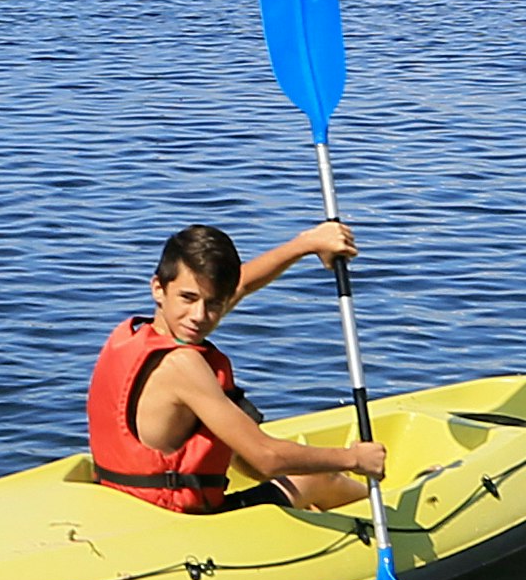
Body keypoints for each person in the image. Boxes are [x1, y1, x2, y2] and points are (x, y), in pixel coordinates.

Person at [85, 218, 390, 514]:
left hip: (126, 503)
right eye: (189, 298)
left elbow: (240, 284)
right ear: (158, 288)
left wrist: (306, 244)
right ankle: (389, 515)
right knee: (320, 479)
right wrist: (354, 458)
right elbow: (266, 458)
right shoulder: (182, 364)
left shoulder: (134, 336)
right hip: (177, 517)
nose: (199, 316)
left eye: (213, 304)